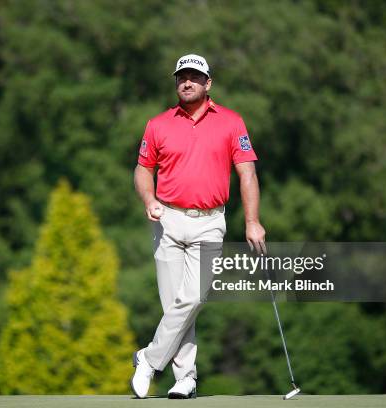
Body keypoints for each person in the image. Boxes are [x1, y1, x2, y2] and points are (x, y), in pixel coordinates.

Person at [131, 53, 266, 399]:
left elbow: (247, 172)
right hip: (168, 220)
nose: (187, 82)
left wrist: (252, 221)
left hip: (210, 222)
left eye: (194, 77)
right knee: (174, 304)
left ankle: (148, 359)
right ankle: (186, 378)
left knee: (193, 297)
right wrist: (149, 200)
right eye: (181, 77)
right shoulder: (158, 124)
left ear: (208, 83)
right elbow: (144, 169)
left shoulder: (232, 122)